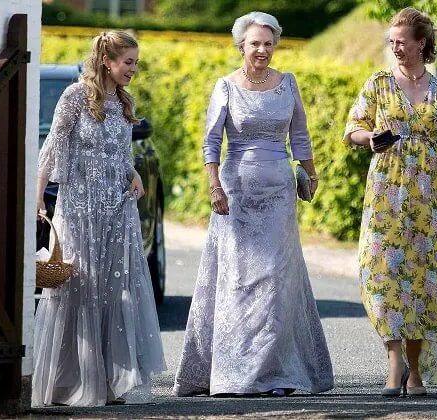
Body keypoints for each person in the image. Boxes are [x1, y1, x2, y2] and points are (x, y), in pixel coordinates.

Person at [173, 11, 334, 398]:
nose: (262, 50)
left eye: (268, 43)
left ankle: (276, 373)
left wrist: (310, 175)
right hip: (237, 194)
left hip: (279, 191)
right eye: (255, 43)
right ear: (241, 45)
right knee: (239, 280)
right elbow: (211, 142)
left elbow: (301, 137)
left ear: (275, 44)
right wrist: (214, 187)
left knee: (276, 281)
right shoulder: (226, 86)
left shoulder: (288, 83)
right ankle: (233, 374)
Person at [344, 7, 437, 397]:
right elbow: (352, 128)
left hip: (430, 197)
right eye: (390, 42)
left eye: (401, 42)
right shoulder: (378, 84)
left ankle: (414, 371)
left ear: (421, 43)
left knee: (425, 279)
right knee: (383, 273)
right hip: (386, 194)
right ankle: (394, 361)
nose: (395, 48)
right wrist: (370, 138)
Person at [32, 31, 166, 407]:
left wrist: (134, 174)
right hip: (79, 206)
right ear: (107, 60)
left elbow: (122, 153)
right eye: (129, 63)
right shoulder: (75, 96)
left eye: (136, 63)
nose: (133, 70)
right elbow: (54, 143)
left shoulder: (126, 100)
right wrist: (38, 191)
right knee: (79, 289)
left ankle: (110, 382)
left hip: (117, 207)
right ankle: (69, 382)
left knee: (115, 291)